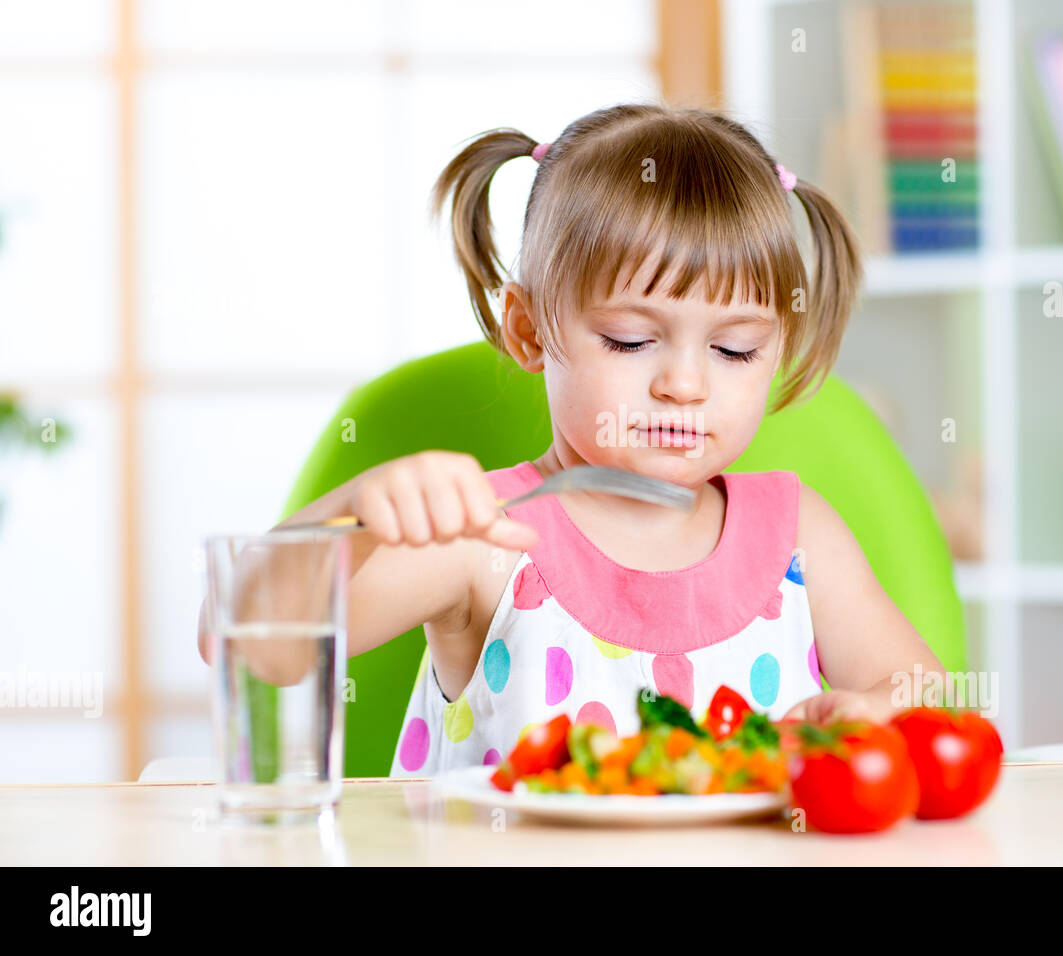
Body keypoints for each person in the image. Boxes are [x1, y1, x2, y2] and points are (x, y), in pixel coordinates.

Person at [201, 103, 946, 777]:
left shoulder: (794, 532)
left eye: (735, 350)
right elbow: (253, 649)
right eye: (629, 341)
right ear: (527, 329)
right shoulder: (487, 533)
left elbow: (931, 699)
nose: (684, 385)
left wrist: (877, 713)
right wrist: (356, 516)